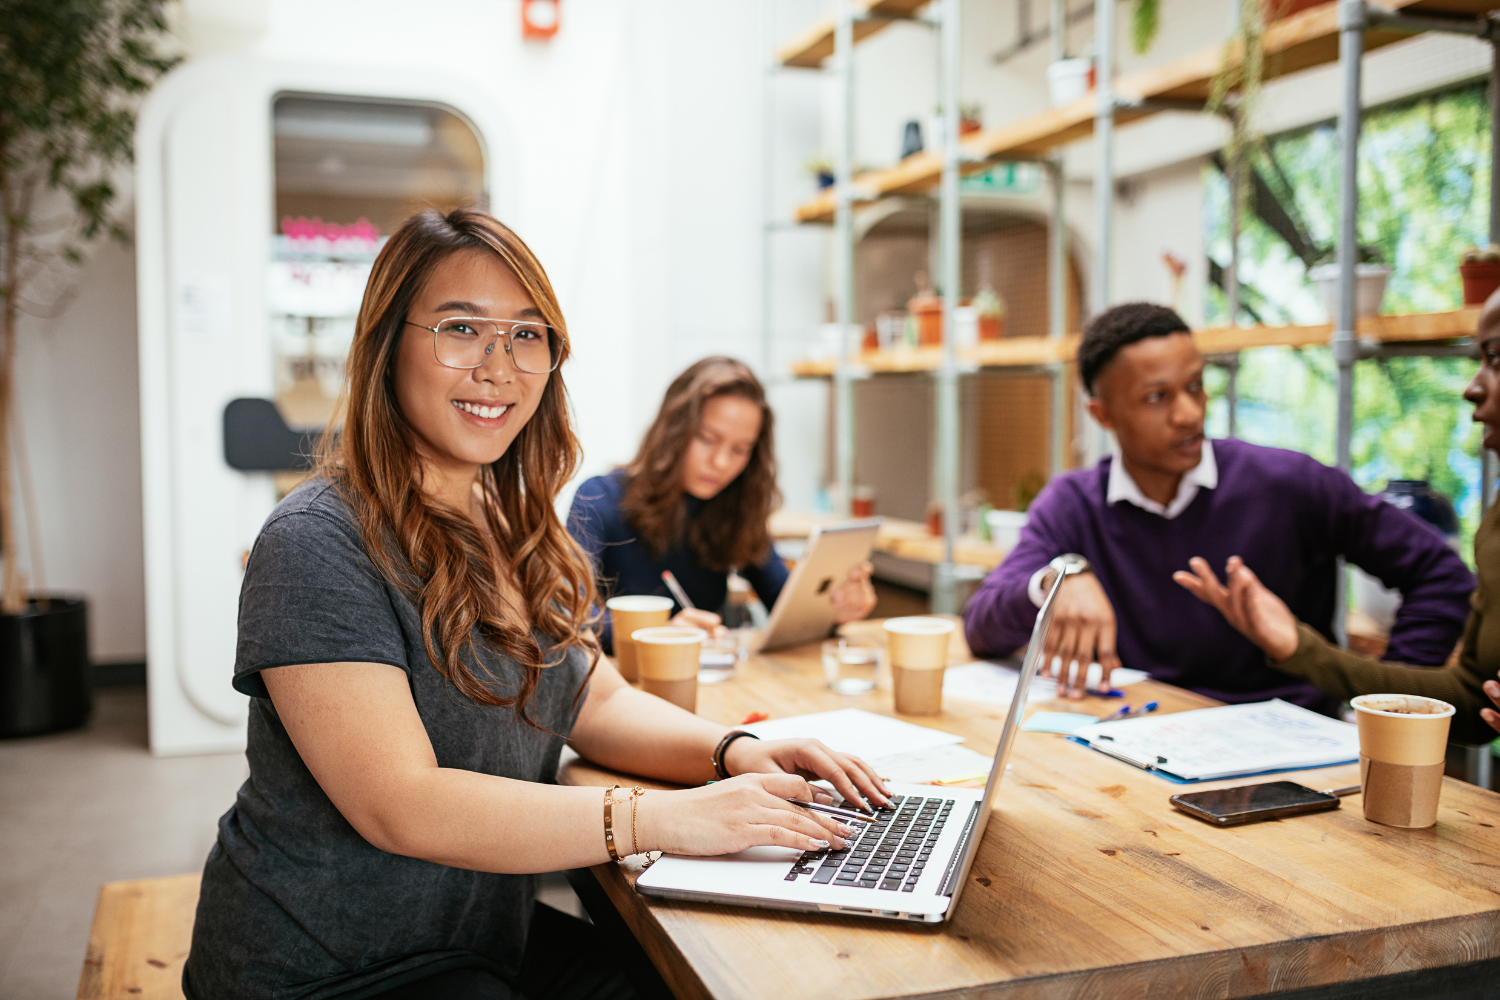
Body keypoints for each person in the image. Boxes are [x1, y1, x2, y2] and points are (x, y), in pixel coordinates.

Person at [183, 209, 890, 1000]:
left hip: (478, 935)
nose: (499, 366)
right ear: (386, 345)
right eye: (461, 328)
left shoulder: (514, 523)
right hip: (326, 969)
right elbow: (400, 805)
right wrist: (661, 819)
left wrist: (731, 751)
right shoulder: (317, 540)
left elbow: (593, 695)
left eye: (527, 335)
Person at [963, 302, 1474, 710]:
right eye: (1157, 397)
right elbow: (981, 628)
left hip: (1289, 751)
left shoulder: (1291, 482)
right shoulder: (1073, 502)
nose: (1189, 413)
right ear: (1102, 414)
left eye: (1194, 386)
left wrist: (1387, 704)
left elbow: (1443, 578)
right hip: (1138, 739)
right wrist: (1053, 578)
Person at [1175, 292, 1500, 744]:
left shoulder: (1293, 480)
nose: (1473, 387)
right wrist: (1298, 648)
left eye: (1496, 358)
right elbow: (1472, 704)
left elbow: (1439, 576)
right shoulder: (1496, 526)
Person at [567, 357, 876, 649]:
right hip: (618, 688)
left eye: (740, 450)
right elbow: (568, 618)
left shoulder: (734, 507)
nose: (721, 462)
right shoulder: (599, 497)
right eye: (707, 439)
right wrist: (656, 633)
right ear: (673, 430)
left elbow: (784, 606)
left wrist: (834, 608)